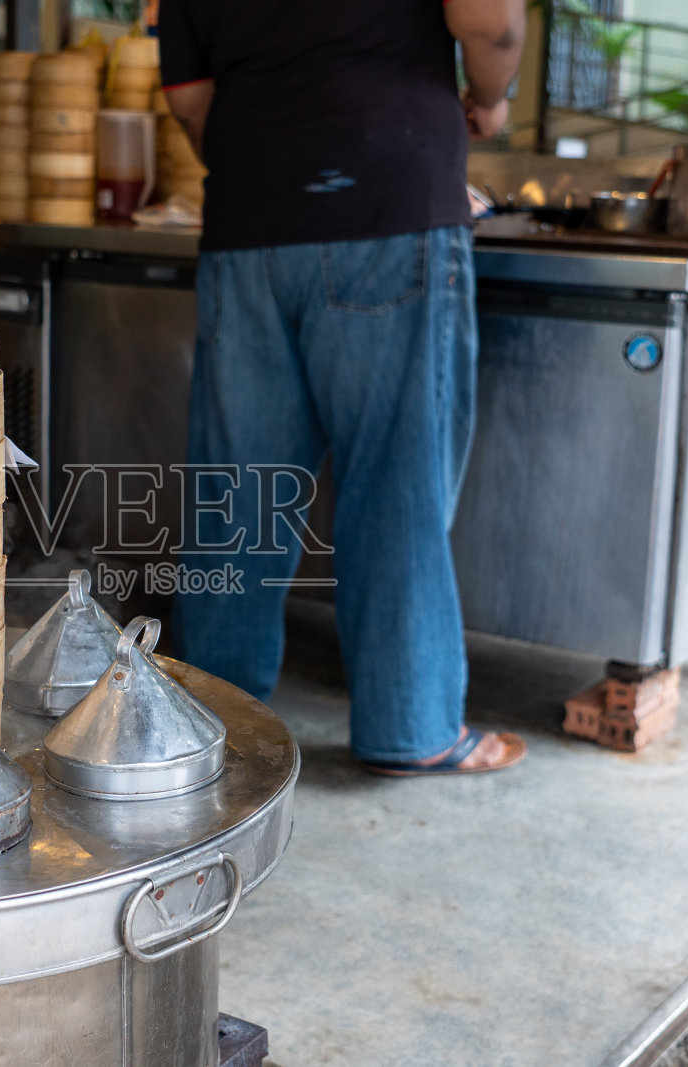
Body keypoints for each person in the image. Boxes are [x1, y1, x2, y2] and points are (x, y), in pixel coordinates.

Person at [161, 0, 529, 775]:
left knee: (241, 491)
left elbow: (190, 98)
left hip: (248, 215)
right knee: (397, 475)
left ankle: (214, 728)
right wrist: (490, 99)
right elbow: (489, 19)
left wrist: (272, 158)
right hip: (388, 196)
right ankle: (412, 725)